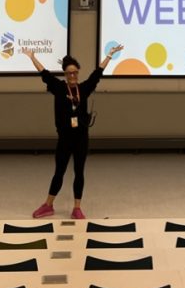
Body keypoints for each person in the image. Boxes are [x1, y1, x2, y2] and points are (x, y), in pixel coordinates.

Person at [22, 44, 123, 219]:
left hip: (81, 139)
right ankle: (48, 205)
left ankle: (77, 208)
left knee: (79, 172)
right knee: (59, 172)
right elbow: (44, 74)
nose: (73, 75)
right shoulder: (59, 88)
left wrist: (109, 55)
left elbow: (97, 74)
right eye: (69, 73)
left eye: (75, 72)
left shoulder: (83, 89)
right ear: (65, 74)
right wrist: (32, 57)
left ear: (78, 72)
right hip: (64, 139)